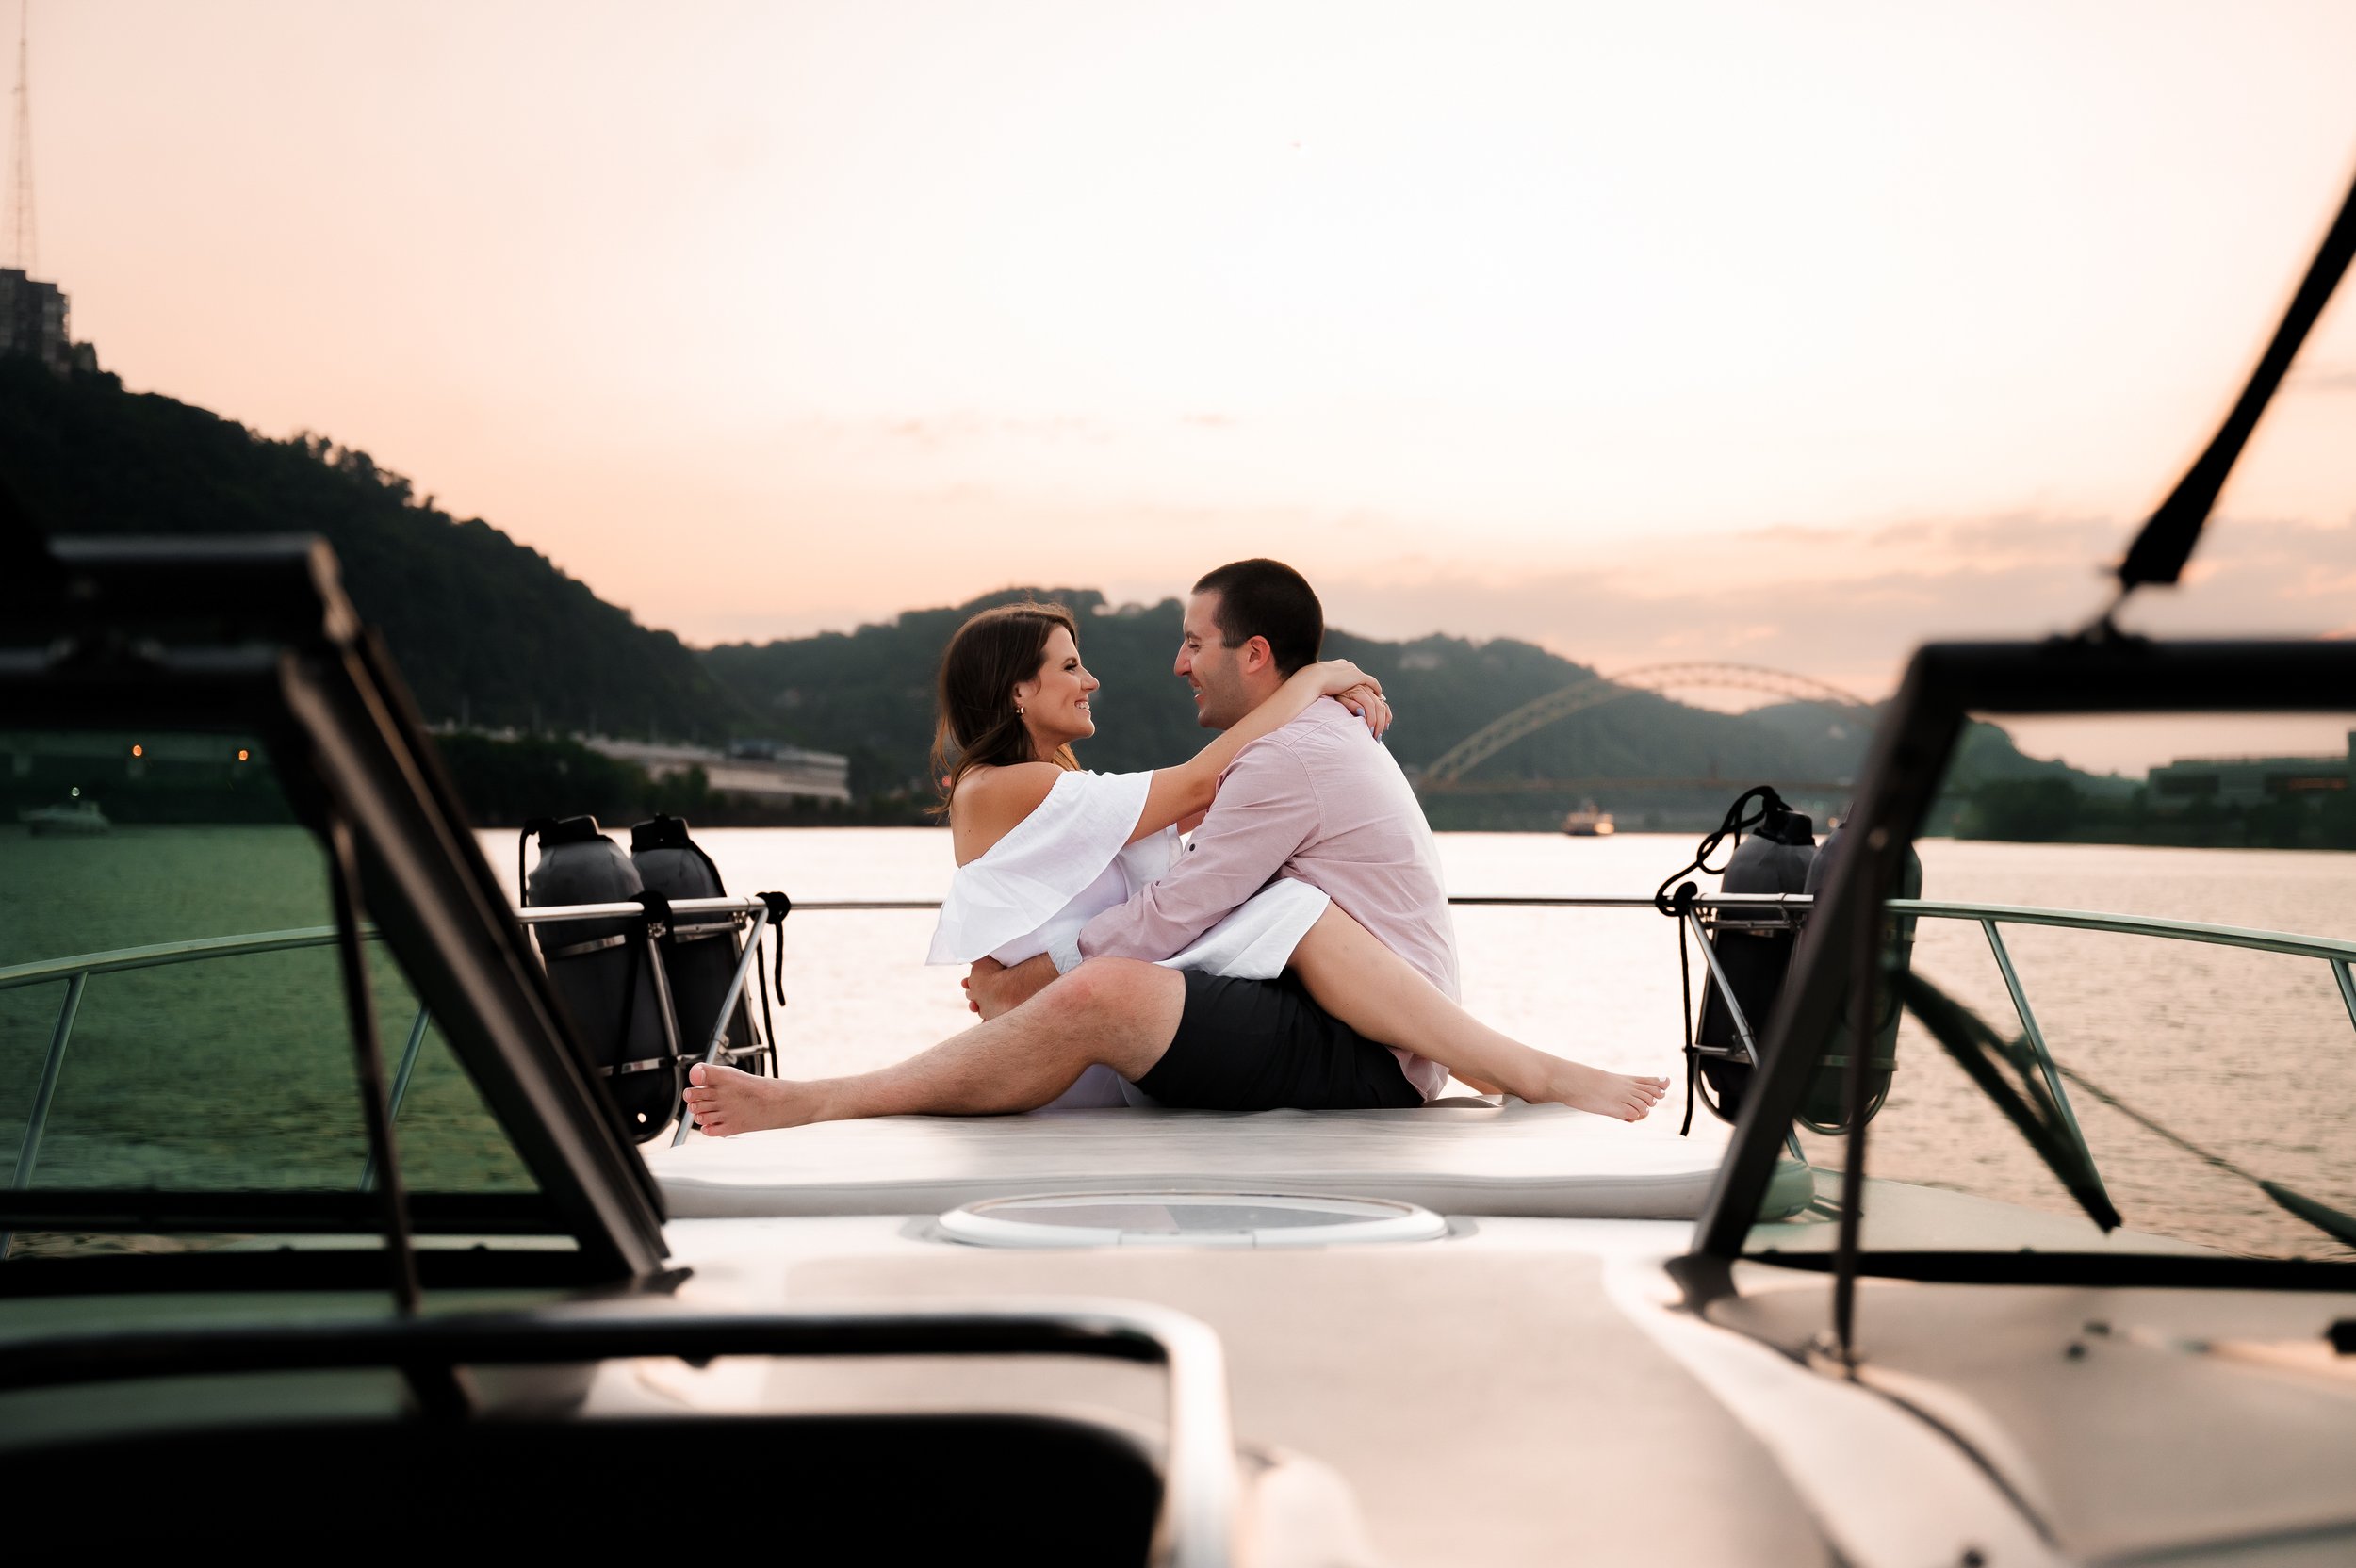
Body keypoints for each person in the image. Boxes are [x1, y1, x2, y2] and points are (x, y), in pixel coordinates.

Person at [683, 561, 1666, 1134]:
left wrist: (1042, 979)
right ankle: (818, 1098)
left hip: (1262, 1033)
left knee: (1268, 919)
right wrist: (1317, 681)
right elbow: (1194, 805)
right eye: (1071, 666)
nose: (1150, 667)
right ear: (1017, 694)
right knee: (1265, 920)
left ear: (1254, 654)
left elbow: (1189, 856)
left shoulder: (1201, 770)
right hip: (1204, 1018)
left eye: (1193, 641)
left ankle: (1517, 1065)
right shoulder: (1012, 785)